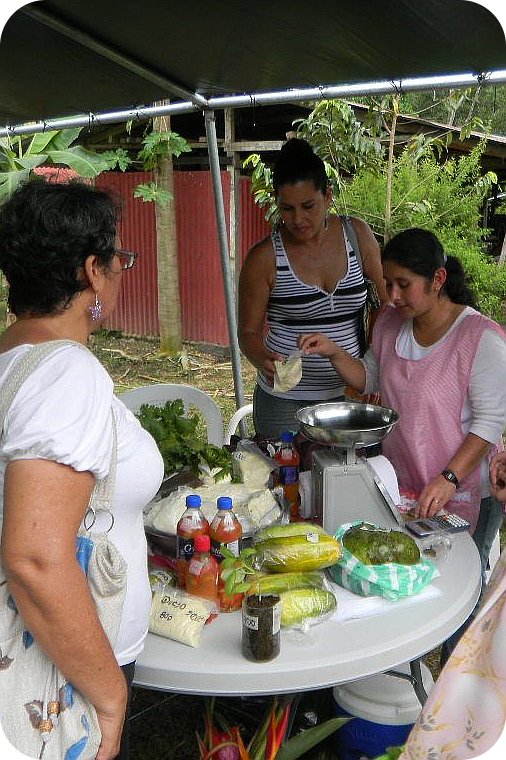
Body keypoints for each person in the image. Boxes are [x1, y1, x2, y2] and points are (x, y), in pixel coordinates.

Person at [0, 180, 164, 760]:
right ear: (93, 271)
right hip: (62, 670)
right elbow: (37, 556)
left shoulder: (12, 358)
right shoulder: (66, 372)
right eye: (119, 259)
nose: (121, 270)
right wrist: (110, 693)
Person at [300, 227, 506, 648]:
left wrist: (448, 479)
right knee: (410, 579)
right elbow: (371, 377)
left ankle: (457, 671)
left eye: (403, 285)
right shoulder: (391, 325)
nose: (391, 295)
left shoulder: (480, 339)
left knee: (461, 588)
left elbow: (488, 423)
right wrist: (336, 354)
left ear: (438, 280)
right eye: (388, 283)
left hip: (463, 488)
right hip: (402, 481)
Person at [238, 137, 388, 439]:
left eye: (308, 206)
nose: (298, 219)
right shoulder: (264, 258)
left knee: (344, 479)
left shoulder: (357, 236)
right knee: (285, 480)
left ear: (328, 196)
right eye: (287, 208)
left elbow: (386, 305)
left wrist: (372, 369)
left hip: (349, 394)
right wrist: (264, 359)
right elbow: (248, 333)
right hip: (285, 403)